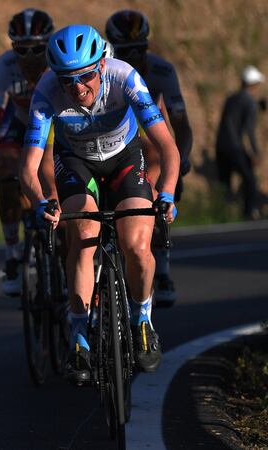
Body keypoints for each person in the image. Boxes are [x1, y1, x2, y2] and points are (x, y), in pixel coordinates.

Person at [19, 25, 180, 381]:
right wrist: (41, 201)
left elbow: (167, 147)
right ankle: (79, 332)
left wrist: (166, 191)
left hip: (124, 157)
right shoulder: (46, 92)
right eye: (67, 81)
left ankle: (142, 318)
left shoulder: (126, 79)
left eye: (86, 76)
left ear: (103, 66)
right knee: (84, 233)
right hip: (76, 162)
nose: (78, 89)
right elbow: (28, 167)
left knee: (136, 245)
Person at [105, 10, 194, 306]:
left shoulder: (162, 70)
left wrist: (182, 158)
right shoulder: (105, 70)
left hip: (147, 123)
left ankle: (163, 264)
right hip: (114, 125)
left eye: (140, 50)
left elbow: (180, 122)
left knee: (165, 171)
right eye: (126, 52)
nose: (134, 57)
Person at [0, 8, 55, 296]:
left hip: (54, 124)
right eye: (21, 49)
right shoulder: (3, 67)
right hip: (19, 121)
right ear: (12, 47)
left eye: (37, 49)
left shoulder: (59, 65)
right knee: (6, 173)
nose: (29, 56)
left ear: (48, 45)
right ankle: (12, 253)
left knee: (53, 175)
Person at [215, 65, 264, 220]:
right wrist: (254, 153)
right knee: (250, 179)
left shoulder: (231, 99)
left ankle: (221, 213)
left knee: (224, 184)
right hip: (235, 147)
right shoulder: (249, 102)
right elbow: (248, 131)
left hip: (221, 146)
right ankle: (250, 212)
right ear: (254, 84)